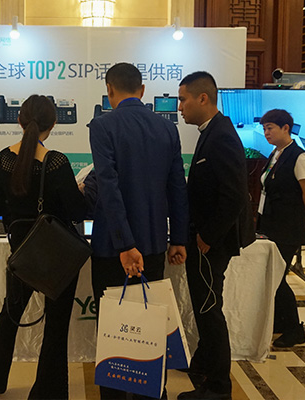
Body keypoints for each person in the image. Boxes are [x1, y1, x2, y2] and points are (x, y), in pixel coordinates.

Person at [88, 62, 189, 399]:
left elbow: (108, 187)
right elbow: (177, 187)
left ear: (109, 90)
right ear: (142, 90)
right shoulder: (167, 128)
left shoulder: (102, 126)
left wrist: (124, 244)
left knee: (114, 330)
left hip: (112, 247)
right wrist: (179, 238)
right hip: (154, 244)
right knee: (150, 327)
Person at [0, 95, 86, 400]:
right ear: (53, 124)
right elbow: (76, 212)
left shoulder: (3, 159)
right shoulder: (56, 162)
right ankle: (48, 392)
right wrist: (79, 191)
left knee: (9, 315)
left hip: (21, 253)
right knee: (56, 326)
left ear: (19, 120)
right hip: (56, 255)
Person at [177, 71, 254, 400]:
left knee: (209, 311)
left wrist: (207, 236)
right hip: (205, 239)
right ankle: (202, 365)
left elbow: (234, 195)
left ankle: (219, 388)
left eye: (183, 99)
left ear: (203, 98)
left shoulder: (221, 135)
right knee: (205, 308)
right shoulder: (211, 132)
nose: (179, 107)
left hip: (212, 244)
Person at [257, 109, 305, 348]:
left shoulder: (298, 156)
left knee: (277, 278)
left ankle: (294, 329)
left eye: (270, 128)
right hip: (271, 224)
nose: (266, 133)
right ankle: (280, 322)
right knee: (272, 277)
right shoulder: (276, 153)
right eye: (264, 128)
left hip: (287, 227)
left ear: (286, 128)